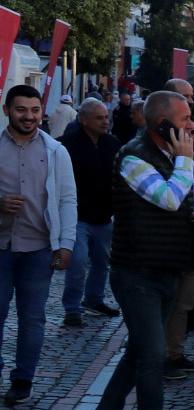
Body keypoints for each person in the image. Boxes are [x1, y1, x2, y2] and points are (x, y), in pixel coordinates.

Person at [84, 91, 194, 410]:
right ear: (162, 124)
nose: (191, 124)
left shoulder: (171, 156)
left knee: (139, 349)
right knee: (153, 354)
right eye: (185, 117)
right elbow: (170, 198)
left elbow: (191, 200)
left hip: (168, 267)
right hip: (135, 271)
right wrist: (186, 162)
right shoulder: (132, 157)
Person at [0, 87, 76, 405]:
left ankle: (23, 379)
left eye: (34, 109)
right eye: (21, 110)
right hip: (1, 247)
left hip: (38, 248)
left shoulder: (55, 151)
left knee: (32, 318)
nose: (29, 116)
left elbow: (67, 199)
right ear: (7, 111)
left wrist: (66, 243)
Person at [59, 99, 120, 327]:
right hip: (77, 217)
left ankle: (94, 300)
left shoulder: (112, 144)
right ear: (84, 120)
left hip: (104, 216)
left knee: (102, 262)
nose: (106, 122)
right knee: (76, 263)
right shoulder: (67, 145)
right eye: (100, 118)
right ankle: (72, 309)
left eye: (106, 117)